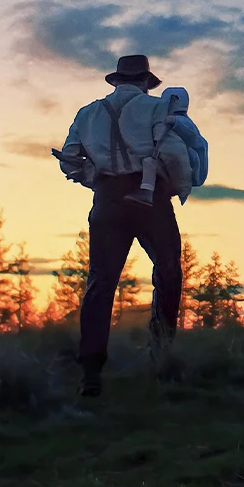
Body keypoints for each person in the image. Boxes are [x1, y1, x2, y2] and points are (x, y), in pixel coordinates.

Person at [55, 54, 203, 397]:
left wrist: (96, 180)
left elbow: (69, 160)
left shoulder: (87, 113)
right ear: (145, 83)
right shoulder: (156, 109)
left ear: (116, 81)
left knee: (100, 283)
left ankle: (91, 374)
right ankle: (160, 354)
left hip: (107, 201)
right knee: (168, 272)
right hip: (149, 199)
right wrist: (181, 188)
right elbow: (174, 155)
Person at [125, 86, 209, 207]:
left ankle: (149, 190)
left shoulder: (182, 121)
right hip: (183, 161)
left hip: (192, 165)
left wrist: (173, 122)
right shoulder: (169, 121)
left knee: (155, 160)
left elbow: (188, 133)